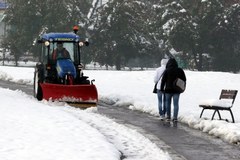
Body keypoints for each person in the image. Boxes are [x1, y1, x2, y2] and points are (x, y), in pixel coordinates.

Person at [160, 58, 186, 122]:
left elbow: (163, 81)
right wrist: (182, 87)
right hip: (177, 90)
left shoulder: (167, 70)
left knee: (168, 103)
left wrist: (161, 89)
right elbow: (184, 79)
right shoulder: (180, 70)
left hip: (168, 90)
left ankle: (168, 116)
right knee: (176, 104)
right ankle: (175, 118)